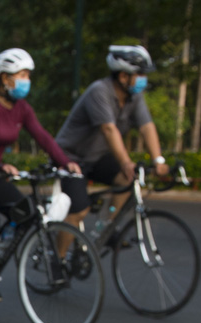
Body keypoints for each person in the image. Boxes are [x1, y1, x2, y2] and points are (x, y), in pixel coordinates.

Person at [0, 49, 81, 303]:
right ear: (4, 79)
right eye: (21, 75)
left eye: (27, 76)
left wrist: (65, 163)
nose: (26, 81)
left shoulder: (22, 108)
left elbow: (42, 136)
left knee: (28, 211)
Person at [54, 45, 169, 250]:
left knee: (127, 178)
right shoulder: (99, 91)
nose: (143, 79)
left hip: (97, 157)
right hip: (70, 158)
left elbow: (147, 126)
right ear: (123, 76)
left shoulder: (135, 97)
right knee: (78, 210)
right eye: (139, 74)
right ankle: (57, 262)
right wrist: (125, 162)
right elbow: (108, 129)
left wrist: (158, 160)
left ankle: (104, 228)